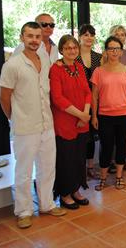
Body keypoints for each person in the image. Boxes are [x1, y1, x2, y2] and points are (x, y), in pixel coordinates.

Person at [0, 21, 66, 229]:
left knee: (47, 167)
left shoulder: (44, 59)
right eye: (30, 36)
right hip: (24, 126)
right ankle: (24, 211)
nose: (34, 40)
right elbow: (4, 97)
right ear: (22, 38)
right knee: (24, 171)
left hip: (47, 123)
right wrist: (15, 117)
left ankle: (46, 204)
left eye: (37, 36)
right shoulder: (12, 65)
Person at [91, 36, 126, 191]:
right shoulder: (99, 71)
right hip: (105, 116)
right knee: (106, 146)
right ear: (106, 51)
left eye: (117, 48)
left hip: (125, 114)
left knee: (121, 146)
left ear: (121, 51)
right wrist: (94, 116)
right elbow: (94, 95)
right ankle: (103, 178)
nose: (114, 52)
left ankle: (119, 177)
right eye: (111, 48)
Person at [49, 35, 91, 210]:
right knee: (66, 159)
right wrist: (80, 115)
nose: (72, 50)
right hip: (65, 121)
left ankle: (76, 189)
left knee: (79, 158)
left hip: (83, 121)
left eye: (74, 47)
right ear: (61, 50)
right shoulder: (56, 69)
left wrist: (85, 113)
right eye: (68, 48)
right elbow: (58, 98)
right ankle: (65, 193)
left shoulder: (79, 67)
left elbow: (87, 92)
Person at [76, 24, 103, 178]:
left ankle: (90, 166)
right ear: (79, 37)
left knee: (92, 135)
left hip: (94, 101)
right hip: (77, 102)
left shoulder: (98, 58)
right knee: (80, 135)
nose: (88, 38)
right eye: (85, 34)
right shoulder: (73, 56)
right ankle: (78, 166)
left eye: (91, 35)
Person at [109, 25, 126, 170]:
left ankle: (122, 161)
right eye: (117, 34)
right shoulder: (106, 54)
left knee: (124, 133)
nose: (120, 37)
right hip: (111, 98)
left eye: (122, 34)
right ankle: (111, 161)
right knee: (111, 134)